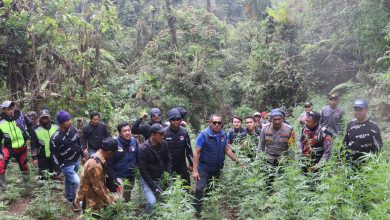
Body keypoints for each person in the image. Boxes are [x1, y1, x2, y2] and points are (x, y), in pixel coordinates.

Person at [192, 114, 242, 216]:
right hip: (204, 168)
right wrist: (195, 170)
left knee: (212, 189)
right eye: (214, 123)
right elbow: (196, 152)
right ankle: (197, 213)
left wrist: (238, 161)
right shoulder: (204, 134)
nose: (217, 125)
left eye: (219, 123)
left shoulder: (223, 134)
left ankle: (209, 210)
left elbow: (226, 149)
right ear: (210, 123)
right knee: (199, 189)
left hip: (217, 169)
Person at [74, 137, 118, 212]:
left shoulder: (98, 158)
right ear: (109, 152)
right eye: (113, 153)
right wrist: (111, 202)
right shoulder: (95, 165)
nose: (113, 156)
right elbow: (99, 188)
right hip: (89, 200)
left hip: (93, 197)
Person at [137, 123, 172, 214]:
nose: (163, 136)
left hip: (161, 177)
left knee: (163, 200)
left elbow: (168, 159)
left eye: (164, 134)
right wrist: (154, 186)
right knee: (152, 202)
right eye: (161, 134)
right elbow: (143, 170)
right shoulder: (143, 149)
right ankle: (149, 216)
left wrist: (168, 174)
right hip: (148, 179)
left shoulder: (164, 144)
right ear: (153, 134)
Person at [258, 109, 295, 191]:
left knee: (283, 179)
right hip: (269, 158)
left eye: (279, 119)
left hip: (283, 159)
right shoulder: (265, 128)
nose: (277, 122)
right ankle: (268, 195)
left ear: (282, 119)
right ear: (271, 119)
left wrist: (292, 161)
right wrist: (259, 158)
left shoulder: (289, 129)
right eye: (275, 119)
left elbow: (291, 147)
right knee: (268, 179)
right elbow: (261, 144)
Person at [0, 100, 33, 191]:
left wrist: (30, 135)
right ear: (3, 110)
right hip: (9, 148)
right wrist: (0, 152)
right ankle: (4, 189)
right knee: (0, 164)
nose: (11, 111)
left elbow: (30, 124)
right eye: (8, 109)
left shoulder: (20, 116)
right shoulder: (1, 123)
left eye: (12, 108)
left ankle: (27, 186)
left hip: (22, 147)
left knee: (24, 165)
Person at [51, 110, 82, 204]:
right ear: (61, 123)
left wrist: (82, 155)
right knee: (77, 182)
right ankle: (75, 202)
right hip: (66, 164)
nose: (70, 122)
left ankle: (69, 197)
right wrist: (57, 170)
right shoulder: (55, 138)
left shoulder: (73, 129)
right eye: (67, 121)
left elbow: (78, 142)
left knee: (69, 180)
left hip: (76, 160)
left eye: (70, 119)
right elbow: (53, 155)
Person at [343, 100, 382, 164]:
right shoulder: (350, 124)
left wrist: (373, 163)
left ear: (366, 110)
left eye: (360, 109)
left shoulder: (373, 126)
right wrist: (341, 157)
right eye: (356, 109)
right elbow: (345, 142)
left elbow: (378, 147)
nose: (358, 112)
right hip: (350, 163)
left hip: (366, 165)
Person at [164, 108, 193, 188]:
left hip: (181, 161)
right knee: (166, 183)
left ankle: (186, 198)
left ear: (180, 120)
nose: (176, 121)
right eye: (173, 119)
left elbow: (189, 149)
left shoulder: (184, 132)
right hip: (168, 162)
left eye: (178, 119)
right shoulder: (164, 132)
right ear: (170, 120)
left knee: (186, 183)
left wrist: (191, 163)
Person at [110, 122, 138, 202]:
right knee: (117, 197)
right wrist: (114, 177)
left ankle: (126, 210)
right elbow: (109, 162)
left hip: (131, 175)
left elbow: (137, 156)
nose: (127, 133)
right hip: (119, 176)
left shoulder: (134, 141)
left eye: (129, 130)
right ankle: (116, 211)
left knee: (127, 195)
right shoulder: (114, 144)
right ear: (119, 133)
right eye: (124, 131)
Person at [30, 109, 59, 179]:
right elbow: (33, 145)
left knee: (56, 176)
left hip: (55, 156)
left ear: (49, 117)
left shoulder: (56, 127)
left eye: (46, 117)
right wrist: (34, 158)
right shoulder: (35, 129)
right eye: (43, 117)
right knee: (43, 177)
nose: (45, 119)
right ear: (40, 118)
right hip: (42, 157)